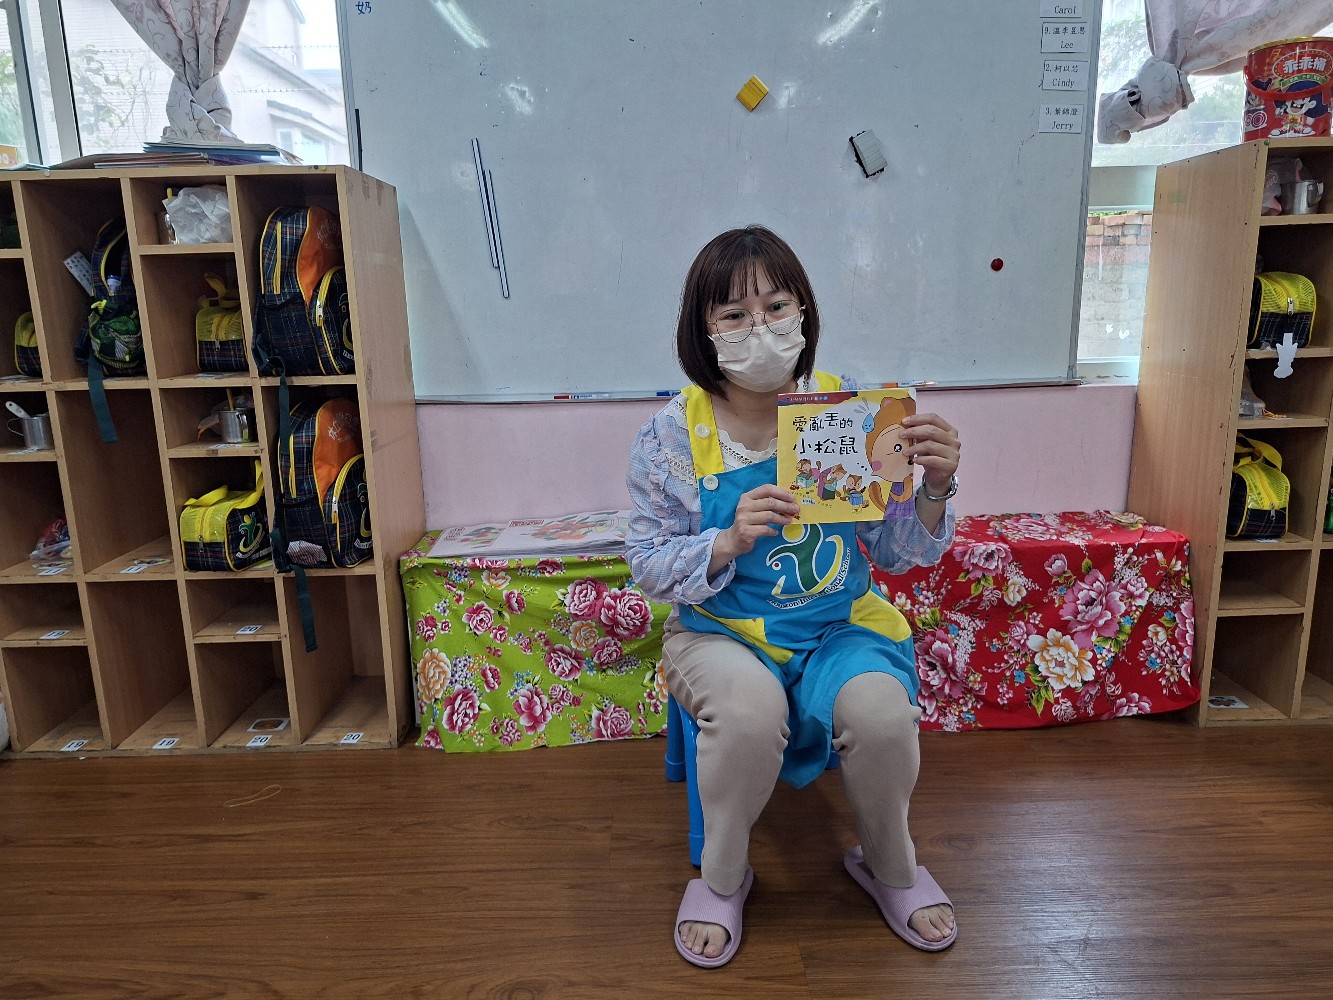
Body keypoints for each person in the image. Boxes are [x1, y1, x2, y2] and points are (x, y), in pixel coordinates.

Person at [625, 225, 961, 968]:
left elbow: (896, 552)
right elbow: (647, 564)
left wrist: (935, 486)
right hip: (721, 630)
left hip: (838, 624)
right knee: (747, 717)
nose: (761, 328)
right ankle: (721, 877)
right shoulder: (672, 435)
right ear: (702, 330)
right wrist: (724, 540)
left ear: (803, 310)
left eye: (776, 307)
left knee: (882, 717)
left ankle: (890, 865)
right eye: (733, 315)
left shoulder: (846, 413)